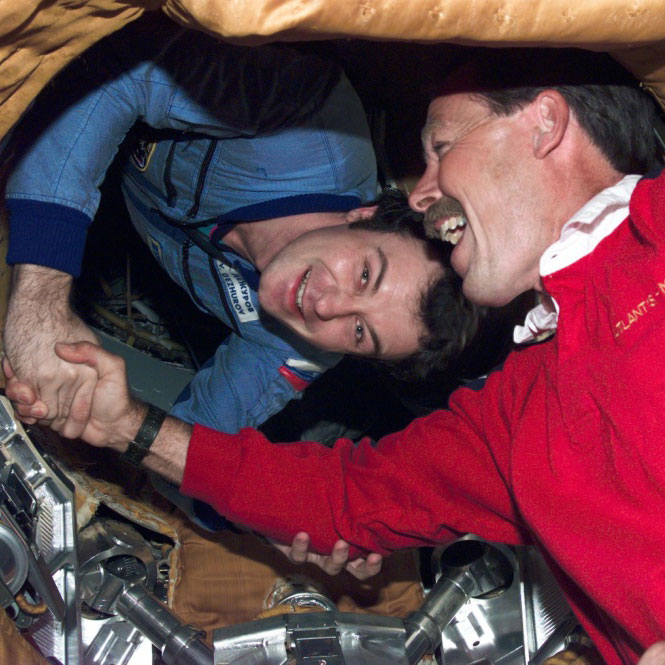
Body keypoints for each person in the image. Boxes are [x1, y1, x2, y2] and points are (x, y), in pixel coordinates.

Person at [12, 46, 665, 664]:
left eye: (440, 147)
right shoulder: (516, 413)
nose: (419, 189)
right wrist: (121, 423)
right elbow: (344, 496)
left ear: (543, 124)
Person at [1, 18, 465, 445]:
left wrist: (110, 418)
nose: (327, 306)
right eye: (365, 275)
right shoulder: (307, 120)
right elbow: (115, 64)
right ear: (364, 217)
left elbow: (206, 444)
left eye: (361, 331)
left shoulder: (306, 346)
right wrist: (41, 297)